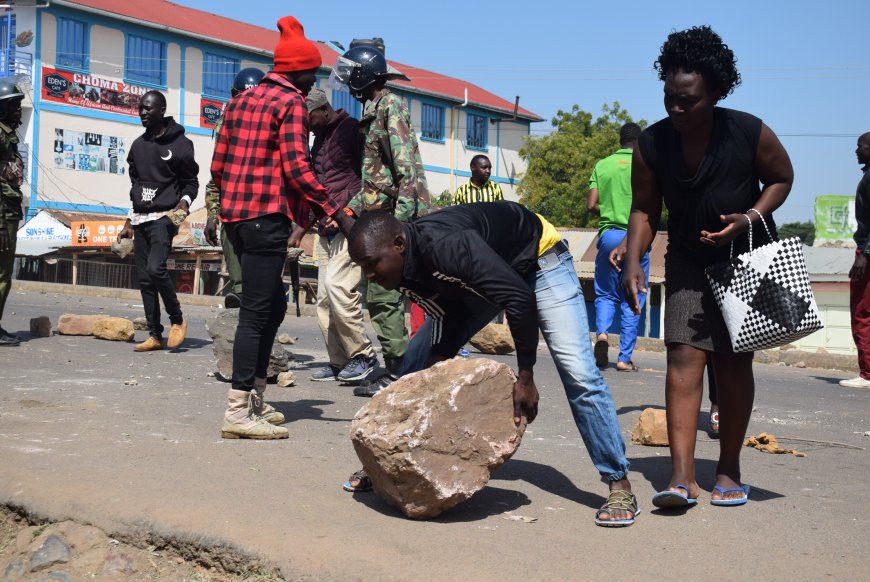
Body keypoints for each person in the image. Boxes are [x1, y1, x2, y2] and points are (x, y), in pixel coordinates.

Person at [344, 203, 639, 527]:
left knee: (578, 372)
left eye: (372, 264)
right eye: (363, 267)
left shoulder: (445, 248)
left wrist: (525, 377)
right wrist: (431, 373)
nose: (369, 275)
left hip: (538, 260)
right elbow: (446, 314)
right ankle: (387, 461)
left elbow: (519, 298)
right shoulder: (399, 267)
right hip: (488, 272)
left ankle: (618, 482)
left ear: (398, 245)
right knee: (416, 363)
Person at [621, 26, 793, 508]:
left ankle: (729, 469)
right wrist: (633, 259)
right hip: (689, 260)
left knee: (734, 362)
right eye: (669, 98)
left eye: (688, 101)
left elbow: (782, 178)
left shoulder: (748, 131)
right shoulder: (652, 143)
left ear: (716, 92)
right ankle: (680, 478)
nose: (675, 109)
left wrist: (750, 218)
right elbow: (644, 209)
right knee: (682, 355)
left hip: (744, 258)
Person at [211, 16, 354, 440]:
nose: (314, 81)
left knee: (272, 305)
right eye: (313, 73)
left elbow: (217, 165)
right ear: (300, 70)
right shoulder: (289, 103)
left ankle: (254, 396)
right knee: (256, 314)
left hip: (237, 221)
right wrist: (336, 210)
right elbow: (296, 167)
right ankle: (237, 412)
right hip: (265, 220)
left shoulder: (239, 102)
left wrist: (229, 204)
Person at [330, 44, 430, 396]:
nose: (344, 80)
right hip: (380, 216)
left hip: (394, 221)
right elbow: (377, 181)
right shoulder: (374, 111)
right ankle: (398, 368)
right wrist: (350, 209)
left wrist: (400, 227)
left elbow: (406, 173)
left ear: (363, 75)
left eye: (349, 73)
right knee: (378, 295)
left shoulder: (391, 107)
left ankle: (401, 373)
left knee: (384, 296)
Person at [305, 87, 378, 384]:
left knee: (339, 288)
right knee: (323, 299)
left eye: (310, 118)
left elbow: (369, 176)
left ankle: (363, 356)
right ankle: (340, 361)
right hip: (325, 228)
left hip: (349, 226)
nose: (307, 125)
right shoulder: (318, 139)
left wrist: (349, 212)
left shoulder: (350, 130)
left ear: (323, 109)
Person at [117, 90, 198, 353]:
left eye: (148, 108)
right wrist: (129, 221)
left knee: (156, 269)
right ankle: (154, 335)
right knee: (144, 278)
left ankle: (177, 319)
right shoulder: (138, 146)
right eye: (140, 108)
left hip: (165, 216)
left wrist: (184, 202)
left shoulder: (181, 144)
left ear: (162, 110)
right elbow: (135, 186)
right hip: (141, 217)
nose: (142, 112)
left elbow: (191, 182)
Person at [203, 67, 265, 308]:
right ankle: (240, 291)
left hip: (263, 203)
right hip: (234, 201)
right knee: (229, 233)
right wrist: (211, 215)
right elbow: (217, 173)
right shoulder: (226, 123)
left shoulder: (273, 121)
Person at [587, 123, 647, 371]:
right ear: (639, 142)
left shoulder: (603, 165)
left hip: (609, 235)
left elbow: (592, 205)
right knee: (633, 294)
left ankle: (601, 335)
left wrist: (611, 210)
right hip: (637, 235)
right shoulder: (645, 164)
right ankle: (624, 359)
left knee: (605, 293)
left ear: (620, 140)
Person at [840, 132, 870, 389]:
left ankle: (867, 373)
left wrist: (865, 253)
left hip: (867, 251)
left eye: (860, 146)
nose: (856, 150)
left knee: (862, 310)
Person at [0, 81, 25, 346]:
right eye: (14, 105)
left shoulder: (7, 134)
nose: (18, 110)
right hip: (2, 216)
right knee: (2, 275)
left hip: (8, 211)